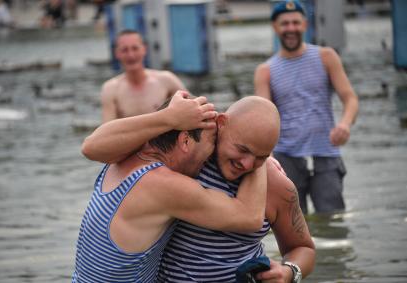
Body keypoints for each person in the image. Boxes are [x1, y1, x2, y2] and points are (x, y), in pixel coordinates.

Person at [82, 92, 316, 282]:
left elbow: (304, 248)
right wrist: (261, 160)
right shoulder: (169, 173)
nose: (246, 164)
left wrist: (289, 273)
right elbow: (248, 216)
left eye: (260, 156)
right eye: (242, 149)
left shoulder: (275, 184)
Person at [254, 1, 359, 214]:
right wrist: (268, 158)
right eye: (284, 24)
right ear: (275, 27)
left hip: (326, 152)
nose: (290, 28)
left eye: (295, 22)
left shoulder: (326, 56)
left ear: (305, 25)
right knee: (292, 222)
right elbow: (263, 120)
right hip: (286, 158)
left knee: (332, 219)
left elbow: (350, 98)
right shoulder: (265, 71)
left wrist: (345, 125)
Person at [100, 30, 186, 123]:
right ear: (117, 53)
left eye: (135, 48)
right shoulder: (111, 89)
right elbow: (107, 130)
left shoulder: (166, 80)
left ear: (144, 49)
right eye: (125, 50)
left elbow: (195, 109)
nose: (131, 55)